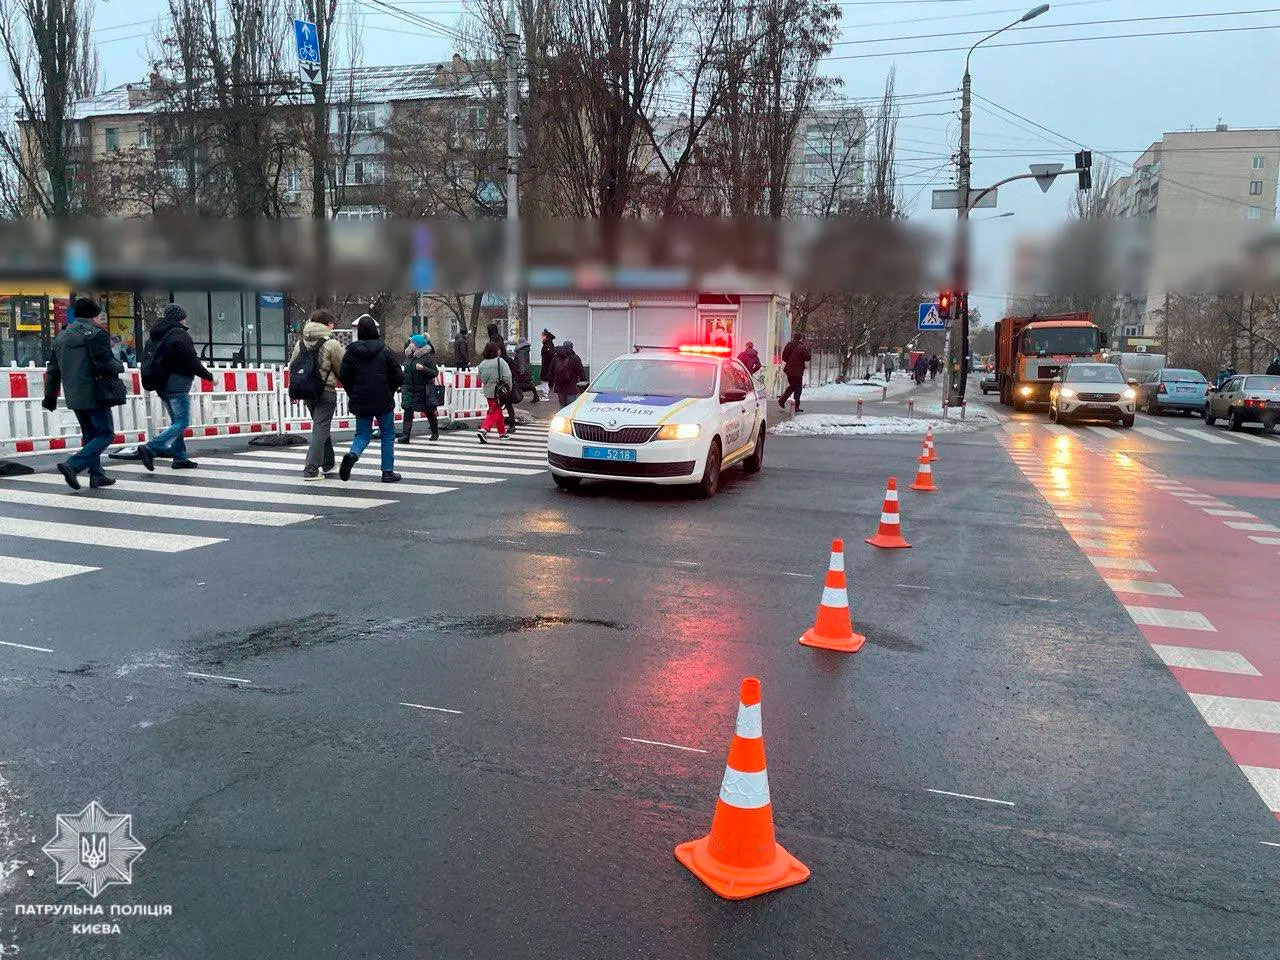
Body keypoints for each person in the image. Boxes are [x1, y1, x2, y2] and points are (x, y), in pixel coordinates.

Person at [42, 297, 126, 490]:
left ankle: (97, 475)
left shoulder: (61, 337)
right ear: (94, 315)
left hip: (73, 393)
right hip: (96, 392)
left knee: (90, 435)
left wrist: (50, 396)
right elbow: (105, 362)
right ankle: (73, 464)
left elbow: (53, 370)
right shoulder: (96, 335)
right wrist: (119, 366)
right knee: (105, 434)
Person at [136, 303, 215, 470]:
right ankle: (151, 448)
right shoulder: (179, 335)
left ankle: (179, 458)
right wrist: (209, 377)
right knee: (182, 421)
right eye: (184, 317)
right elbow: (191, 361)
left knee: (175, 422)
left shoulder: (155, 335)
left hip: (161, 383)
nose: (186, 320)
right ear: (180, 318)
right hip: (177, 384)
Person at [338, 314, 403, 483]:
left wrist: (354, 393)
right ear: (376, 331)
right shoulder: (385, 351)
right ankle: (387, 472)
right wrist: (390, 390)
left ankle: (353, 455)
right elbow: (398, 375)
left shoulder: (351, 352)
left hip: (361, 400)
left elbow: (344, 376)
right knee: (388, 434)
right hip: (383, 400)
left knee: (362, 434)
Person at [290, 308, 346, 480]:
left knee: (321, 426)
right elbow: (342, 369)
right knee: (320, 429)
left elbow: (293, 366)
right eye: (331, 323)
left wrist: (292, 390)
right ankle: (311, 469)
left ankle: (328, 464)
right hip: (326, 392)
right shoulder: (332, 344)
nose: (333, 326)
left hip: (307, 391)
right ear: (325, 324)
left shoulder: (301, 343)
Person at [399, 333, 439, 443]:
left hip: (422, 390)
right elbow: (406, 371)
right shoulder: (409, 356)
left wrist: (423, 369)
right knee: (408, 411)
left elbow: (435, 372)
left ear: (417, 345)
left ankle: (435, 432)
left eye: (412, 342)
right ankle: (406, 436)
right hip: (408, 388)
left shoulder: (426, 358)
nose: (410, 344)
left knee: (428, 411)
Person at [476, 340, 512, 443]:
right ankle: (484, 429)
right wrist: (509, 388)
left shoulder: (482, 364)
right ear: (495, 351)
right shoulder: (500, 362)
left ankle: (502, 433)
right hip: (499, 391)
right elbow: (507, 376)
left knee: (497, 410)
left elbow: (480, 378)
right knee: (494, 411)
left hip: (488, 391)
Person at [487, 322, 517, 432]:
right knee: (506, 403)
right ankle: (510, 424)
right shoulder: (500, 339)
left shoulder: (493, 341)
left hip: (498, 378)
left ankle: (488, 425)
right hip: (505, 378)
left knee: (495, 404)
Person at [778, 332, 811, 412]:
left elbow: (784, 357)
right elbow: (807, 357)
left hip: (789, 370)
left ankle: (782, 400)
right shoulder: (802, 347)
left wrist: (791, 362)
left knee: (792, 386)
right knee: (798, 388)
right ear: (800, 338)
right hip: (798, 371)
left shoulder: (788, 345)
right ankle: (796, 406)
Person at [552, 340, 585, 408]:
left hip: (559, 386)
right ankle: (569, 418)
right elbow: (580, 371)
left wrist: (550, 383)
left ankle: (560, 418)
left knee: (562, 406)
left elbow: (551, 370)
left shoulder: (556, 356)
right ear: (572, 348)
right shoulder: (575, 357)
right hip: (571, 386)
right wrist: (584, 381)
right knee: (571, 407)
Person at [539, 329, 557, 401]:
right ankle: (545, 394)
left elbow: (550, 355)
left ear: (545, 336)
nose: (541, 337)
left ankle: (545, 395)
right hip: (547, 365)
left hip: (547, 366)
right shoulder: (548, 343)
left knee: (544, 380)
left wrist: (545, 361)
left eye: (542, 336)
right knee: (545, 379)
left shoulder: (548, 344)